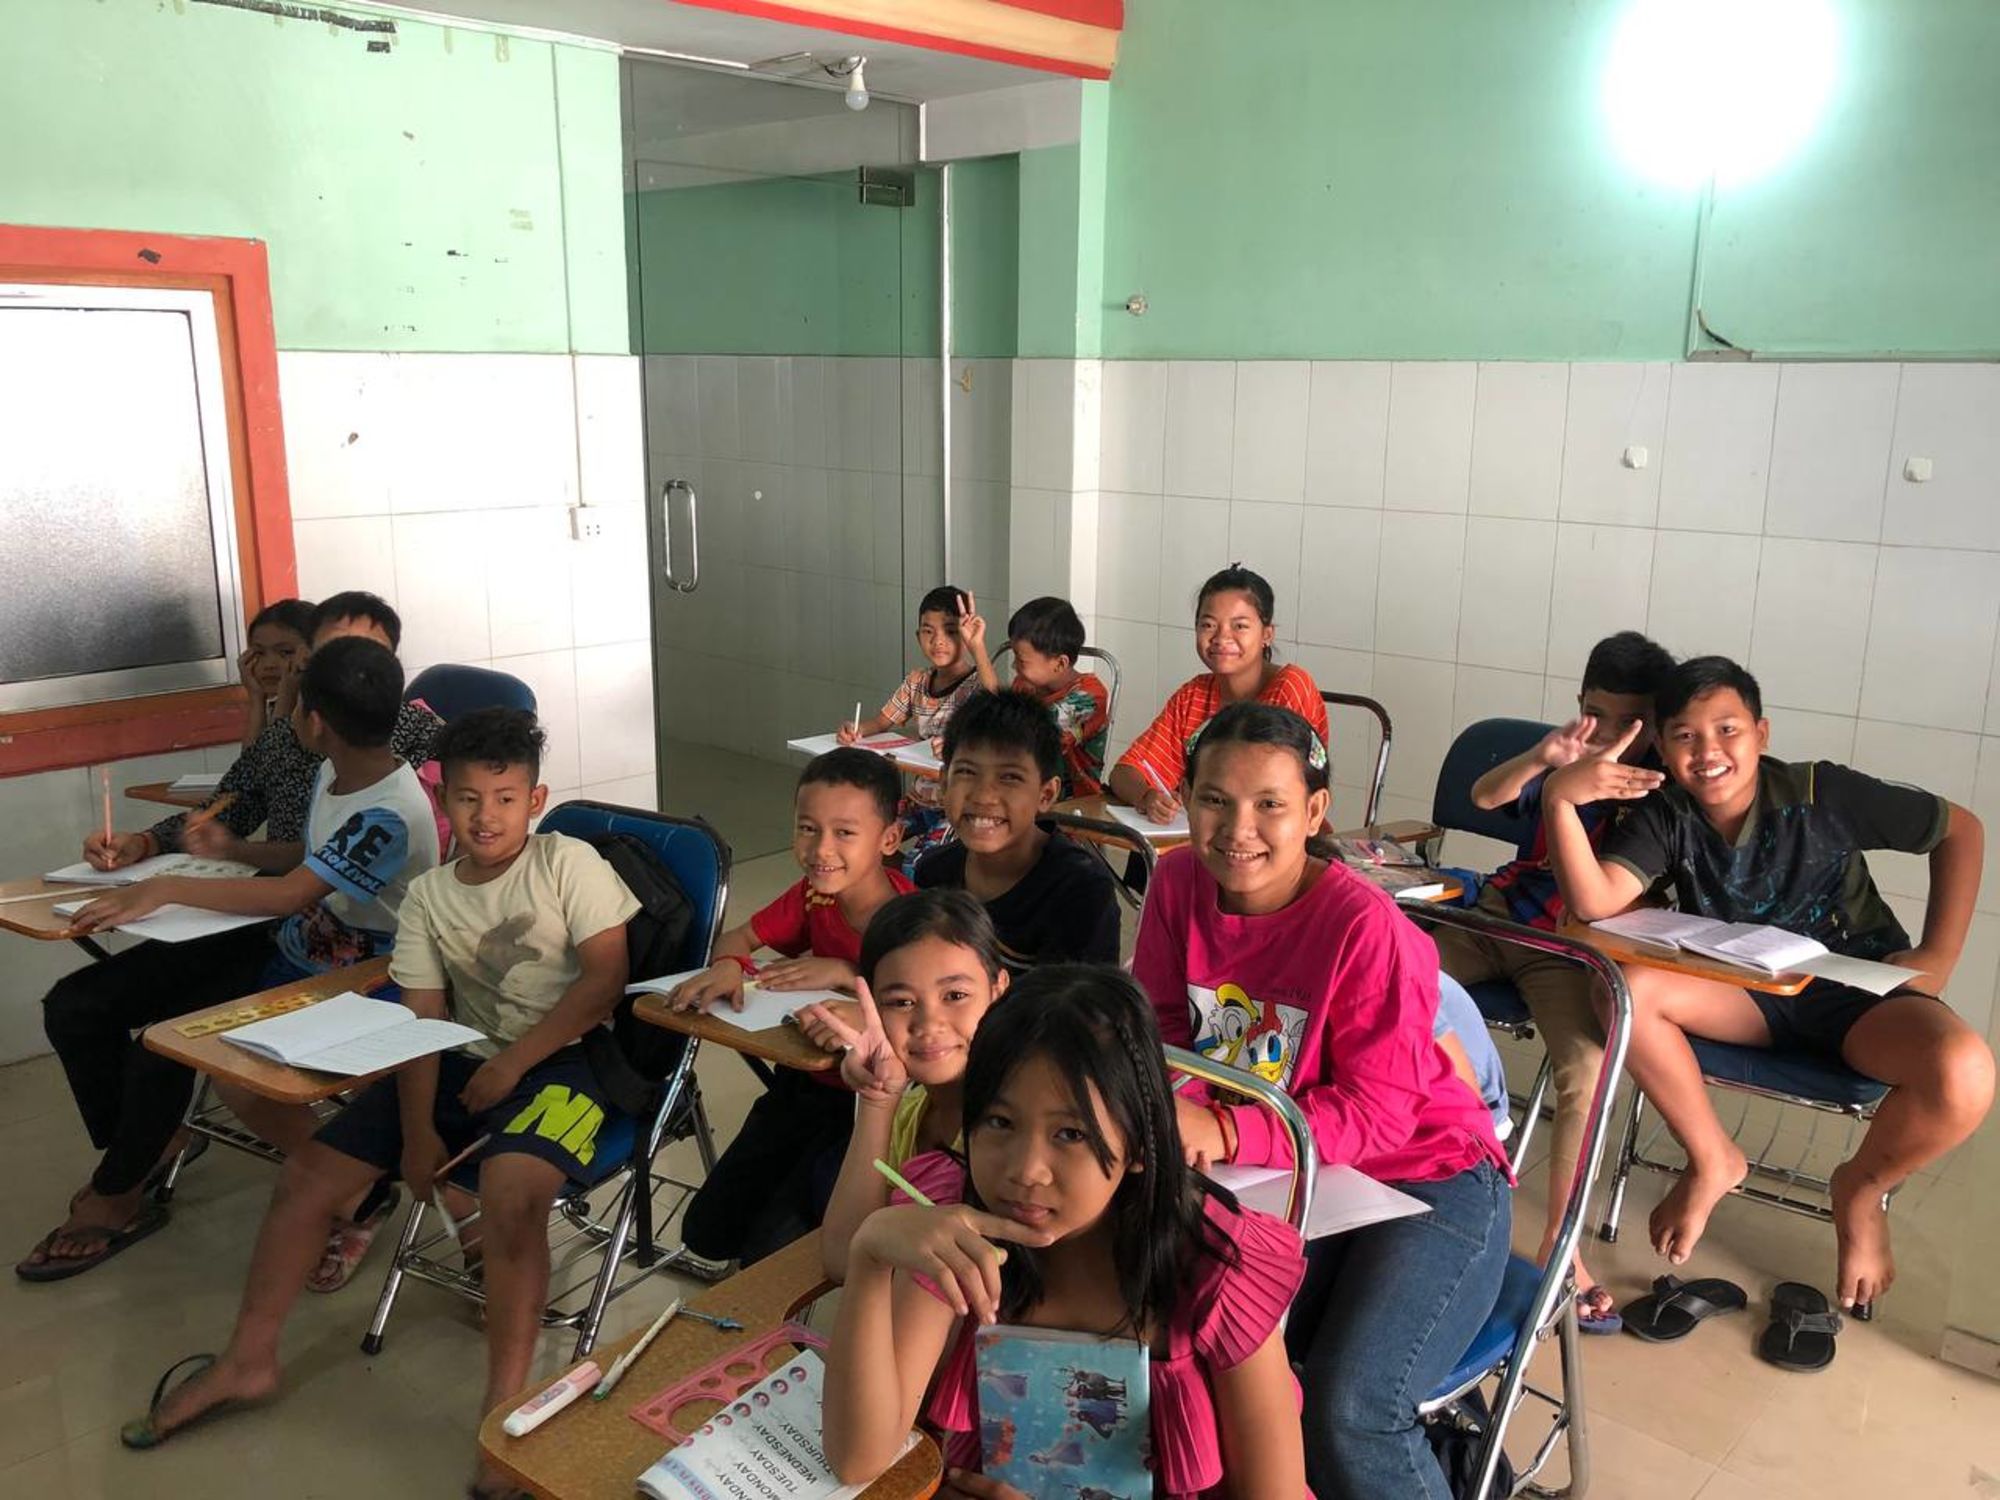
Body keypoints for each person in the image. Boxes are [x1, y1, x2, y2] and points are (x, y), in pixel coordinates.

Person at [113, 707, 638, 1500]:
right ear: (443, 800)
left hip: (567, 1065)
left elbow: (603, 982)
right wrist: (420, 1134)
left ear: (535, 801)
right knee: (309, 1178)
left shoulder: (570, 865)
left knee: (511, 1193)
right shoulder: (429, 898)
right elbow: (420, 1024)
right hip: (460, 1055)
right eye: (467, 799)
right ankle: (248, 1360)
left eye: (504, 798)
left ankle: (505, 1421)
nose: (485, 816)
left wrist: (515, 1063)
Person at [1133, 702, 1510, 1499]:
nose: (1238, 828)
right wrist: (1184, 1110)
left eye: (1269, 804)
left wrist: (1224, 1129)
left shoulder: (1365, 929)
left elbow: (1379, 1115)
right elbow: (1164, 1028)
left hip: (1430, 1177)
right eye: (1213, 799)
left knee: (1350, 1410)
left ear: (1313, 811)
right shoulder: (1174, 882)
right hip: (1284, 1178)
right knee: (1198, 1347)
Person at [1542, 655, 1993, 1314]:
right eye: (1686, 736)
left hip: (1859, 997)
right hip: (1747, 995)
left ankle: (1862, 1190)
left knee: (1965, 1073)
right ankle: (1713, 1158)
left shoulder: (1821, 794)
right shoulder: (1666, 813)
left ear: (1762, 732)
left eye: (1727, 729)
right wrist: (1560, 795)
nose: (1708, 751)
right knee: (1621, 991)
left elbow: (1962, 830)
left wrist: (1940, 953)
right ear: (1663, 746)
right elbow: (1597, 901)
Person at [22, 638, 441, 1282]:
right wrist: (231, 849)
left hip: (355, 977)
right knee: (80, 1006)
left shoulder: (387, 810)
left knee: (167, 1049)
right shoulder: (343, 770)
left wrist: (163, 887)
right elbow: (304, 863)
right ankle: (150, 1145)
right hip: (289, 946)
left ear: (316, 721)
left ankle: (353, 1184)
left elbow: (293, 892)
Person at [821, 965, 1309, 1499]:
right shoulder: (956, 1223)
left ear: (1141, 1143)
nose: (1026, 1170)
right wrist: (871, 1256)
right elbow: (857, 1457)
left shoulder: (1213, 1264)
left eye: (1071, 1133)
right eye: (1000, 1122)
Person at [1429, 629, 1675, 1332]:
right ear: (1579, 705)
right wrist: (1545, 757)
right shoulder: (1564, 752)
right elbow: (1484, 796)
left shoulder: (1653, 789)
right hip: (1500, 914)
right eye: (1597, 714)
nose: (1611, 737)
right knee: (1396, 988)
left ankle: (1560, 1248)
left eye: (1632, 723)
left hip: (1572, 945)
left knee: (1587, 1067)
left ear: (1653, 724)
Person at [665, 747, 913, 1277]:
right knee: (707, 1230)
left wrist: (848, 975)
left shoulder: (911, 919)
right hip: (799, 1087)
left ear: (889, 839)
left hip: (866, 1112)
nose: (821, 849)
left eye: (845, 833)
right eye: (807, 828)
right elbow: (739, 935)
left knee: (768, 1255)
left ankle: (777, 1330)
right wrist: (732, 964)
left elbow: (921, 1015)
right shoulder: (814, 897)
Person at [88, 589, 442, 874]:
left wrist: (231, 854)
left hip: (341, 921)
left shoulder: (422, 739)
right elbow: (228, 809)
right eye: (331, 654)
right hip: (274, 905)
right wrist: (144, 842)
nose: (348, 668)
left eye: (365, 655)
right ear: (307, 658)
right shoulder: (285, 737)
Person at [806, 889, 1009, 1282]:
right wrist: (877, 1100)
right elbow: (843, 1260)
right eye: (900, 1002)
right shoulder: (909, 1112)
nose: (929, 1024)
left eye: (955, 995)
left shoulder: (1016, 1121)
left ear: (998, 990)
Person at [912, 690, 1121, 975]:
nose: (985, 796)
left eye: (1010, 777)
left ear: (1046, 795)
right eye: (967, 772)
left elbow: (1076, 1014)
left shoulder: (1081, 891)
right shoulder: (933, 873)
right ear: (945, 784)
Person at [1108, 564, 1330, 825]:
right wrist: (1147, 797)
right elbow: (1125, 772)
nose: (1222, 637)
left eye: (1240, 626)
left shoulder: (1291, 686)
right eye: (1208, 625)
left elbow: (1274, 793)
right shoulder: (1194, 695)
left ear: (1267, 635)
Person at [838, 584, 983, 861]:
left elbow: (998, 706)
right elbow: (881, 721)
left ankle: (912, 898)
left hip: (955, 806)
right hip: (918, 799)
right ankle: (890, 897)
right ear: (918, 637)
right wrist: (856, 730)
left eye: (951, 631)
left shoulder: (976, 685)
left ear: (966, 635)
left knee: (917, 863)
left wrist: (979, 648)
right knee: (868, 842)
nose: (938, 641)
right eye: (928, 632)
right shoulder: (917, 681)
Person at [967, 594, 1110, 799]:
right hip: (1020, 793)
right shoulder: (1026, 685)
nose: (1014, 666)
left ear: (1060, 664)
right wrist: (977, 647)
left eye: (1021, 660)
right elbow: (998, 717)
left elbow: (1021, 739)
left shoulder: (1089, 697)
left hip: (1070, 805)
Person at [234, 597, 316, 748]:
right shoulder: (274, 704)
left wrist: (286, 698)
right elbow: (249, 769)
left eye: (285, 652)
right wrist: (256, 699)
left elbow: (273, 768)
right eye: (259, 653)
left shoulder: (322, 713)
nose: (269, 665)